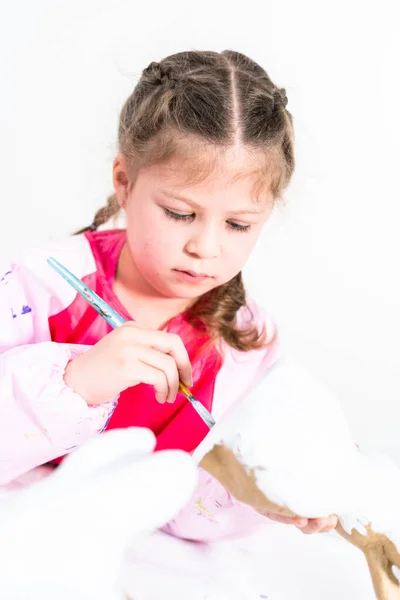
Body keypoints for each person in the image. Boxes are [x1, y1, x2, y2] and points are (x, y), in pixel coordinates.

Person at [0, 49, 337, 539]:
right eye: (180, 213)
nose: (205, 247)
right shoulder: (39, 288)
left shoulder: (244, 345)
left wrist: (258, 494)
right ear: (124, 182)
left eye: (239, 224)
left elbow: (188, 511)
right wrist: (77, 383)